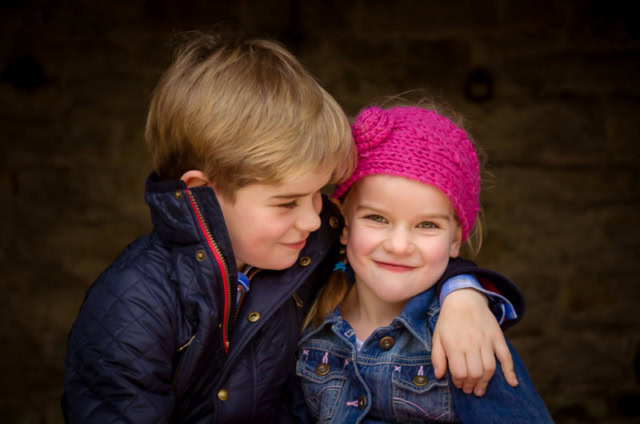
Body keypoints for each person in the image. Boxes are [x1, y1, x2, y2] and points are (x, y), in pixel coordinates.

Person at [63, 32, 524, 423]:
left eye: (319, 195)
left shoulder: (306, 242)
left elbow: (397, 254)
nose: (313, 218)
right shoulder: (134, 305)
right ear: (203, 192)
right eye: (286, 202)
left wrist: (463, 293)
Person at [296, 103, 553, 423]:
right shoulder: (306, 313)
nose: (400, 246)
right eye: (377, 218)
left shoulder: (465, 339)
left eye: (427, 225)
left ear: (456, 238)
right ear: (345, 223)